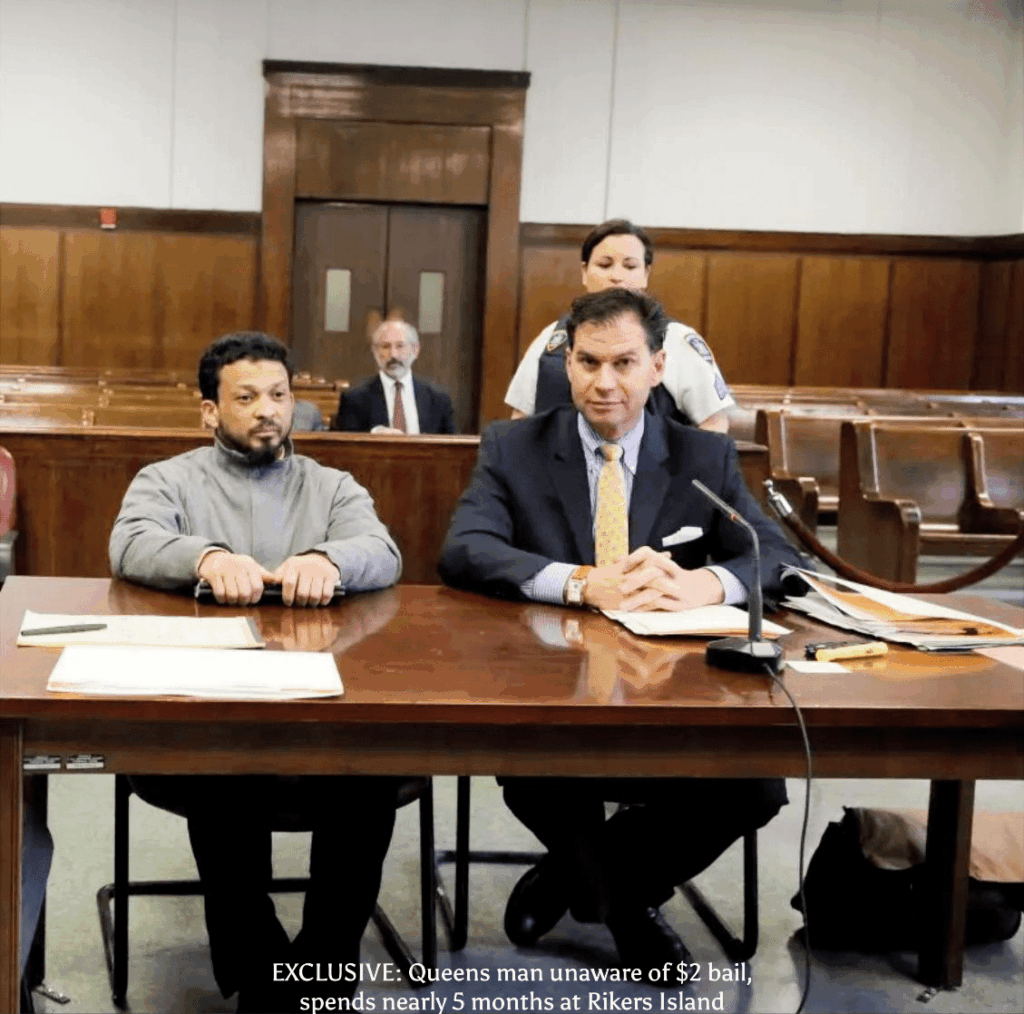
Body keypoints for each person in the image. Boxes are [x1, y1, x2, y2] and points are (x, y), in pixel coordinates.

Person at [439, 288, 800, 983]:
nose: (605, 382)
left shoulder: (704, 456)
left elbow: (777, 557)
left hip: (677, 694)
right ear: (567, 365)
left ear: (658, 367)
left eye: (625, 363)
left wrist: (707, 583)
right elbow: (464, 549)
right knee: (535, 773)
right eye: (589, 362)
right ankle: (627, 914)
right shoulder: (514, 446)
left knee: (757, 788)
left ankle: (576, 881)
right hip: (550, 686)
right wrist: (580, 581)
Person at [109, 331, 402, 1013]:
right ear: (209, 410)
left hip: (326, 708)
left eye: (279, 395)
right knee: (221, 773)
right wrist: (206, 558)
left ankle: (319, 971)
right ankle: (267, 972)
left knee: (372, 776)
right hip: (210, 706)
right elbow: (131, 540)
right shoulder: (169, 478)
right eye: (246, 398)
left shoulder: (332, 486)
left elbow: (379, 550)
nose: (268, 410)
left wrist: (329, 560)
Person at [504, 218, 733, 433]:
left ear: (645, 274)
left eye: (629, 266)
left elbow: (714, 423)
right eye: (604, 265)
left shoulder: (677, 339)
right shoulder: (553, 338)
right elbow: (521, 418)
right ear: (585, 272)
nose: (616, 276)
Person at [332, 320, 456, 434]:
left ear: (415, 350)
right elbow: (346, 446)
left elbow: (451, 446)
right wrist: (374, 434)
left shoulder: (438, 398)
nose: (393, 355)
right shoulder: (354, 398)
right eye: (385, 347)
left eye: (400, 346)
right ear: (375, 352)